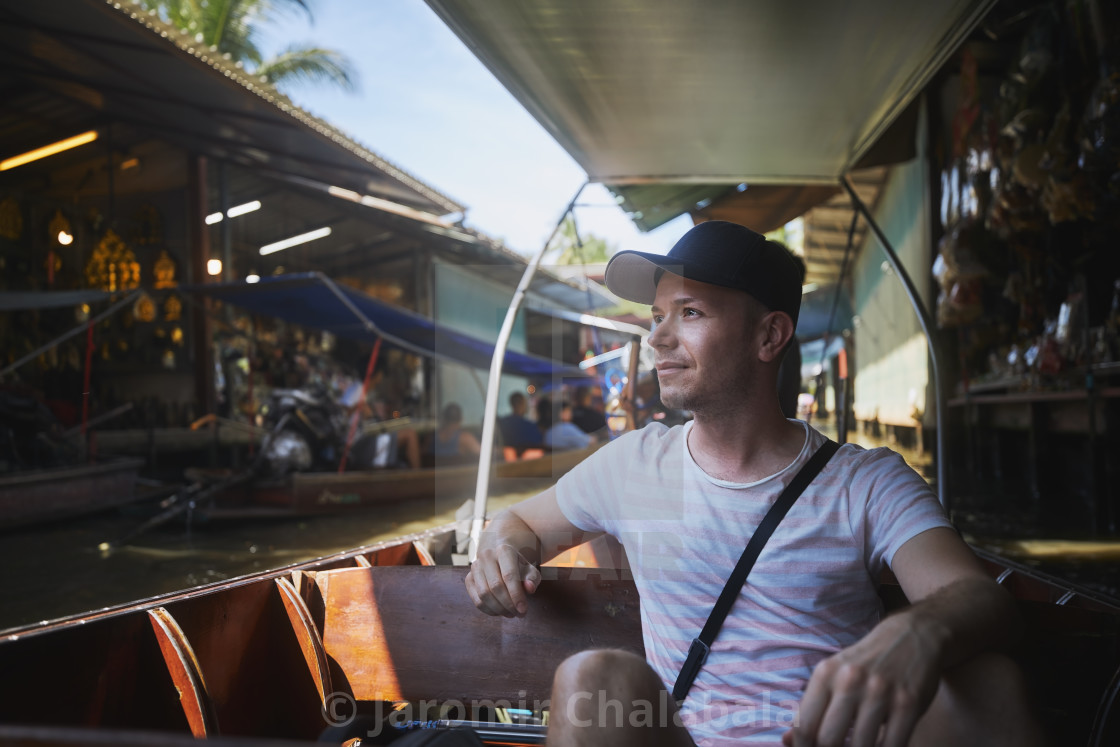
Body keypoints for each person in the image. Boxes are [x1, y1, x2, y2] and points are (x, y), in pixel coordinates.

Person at [465, 221, 1039, 746]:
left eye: (689, 313)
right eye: (658, 316)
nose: (658, 338)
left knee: (989, 685)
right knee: (592, 679)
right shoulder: (631, 465)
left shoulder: (865, 482)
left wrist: (920, 631)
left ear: (770, 336)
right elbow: (519, 524)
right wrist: (499, 546)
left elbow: (980, 598)